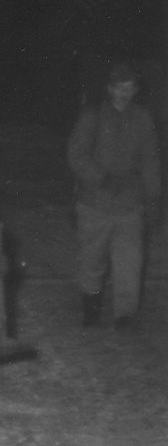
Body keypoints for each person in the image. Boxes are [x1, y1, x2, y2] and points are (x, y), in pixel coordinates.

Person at [67, 61, 161, 330]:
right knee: (91, 260)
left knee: (129, 263)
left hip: (130, 205)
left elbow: (151, 162)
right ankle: (91, 311)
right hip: (94, 203)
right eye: (119, 88)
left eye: (129, 89)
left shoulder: (143, 119)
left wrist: (154, 199)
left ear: (136, 90)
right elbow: (76, 155)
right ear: (109, 89)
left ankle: (124, 316)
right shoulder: (92, 116)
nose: (124, 94)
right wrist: (100, 177)